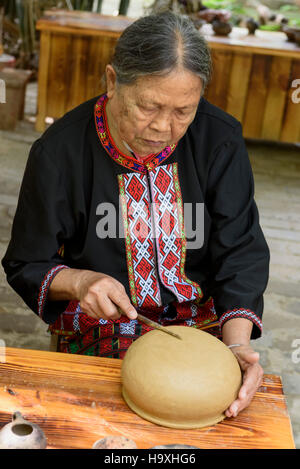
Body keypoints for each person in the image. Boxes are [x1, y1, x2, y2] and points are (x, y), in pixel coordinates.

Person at [2, 11, 270, 419]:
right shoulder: (59, 154)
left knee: (222, 413)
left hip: (204, 323)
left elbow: (241, 248)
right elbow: (26, 262)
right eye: (148, 106)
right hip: (102, 325)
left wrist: (236, 346)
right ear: (112, 82)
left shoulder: (220, 139)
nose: (164, 127)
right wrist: (79, 280)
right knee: (109, 424)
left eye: (184, 111)